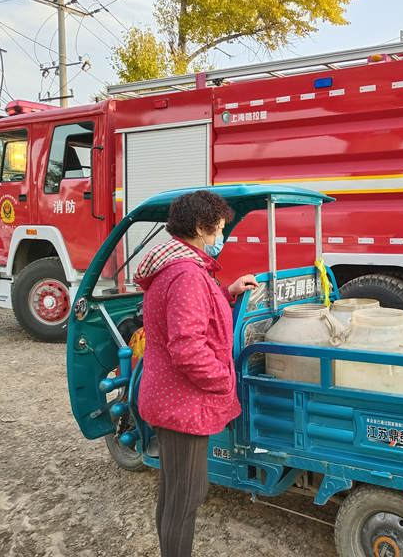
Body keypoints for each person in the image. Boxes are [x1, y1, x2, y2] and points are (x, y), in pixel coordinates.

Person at [133, 190, 258, 557]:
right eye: (217, 230)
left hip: (167, 395)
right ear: (201, 228)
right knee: (185, 497)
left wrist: (228, 291)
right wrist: (223, 379)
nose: (219, 238)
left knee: (175, 492)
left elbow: (188, 308)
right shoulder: (186, 273)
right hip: (182, 402)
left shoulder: (177, 265)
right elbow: (187, 348)